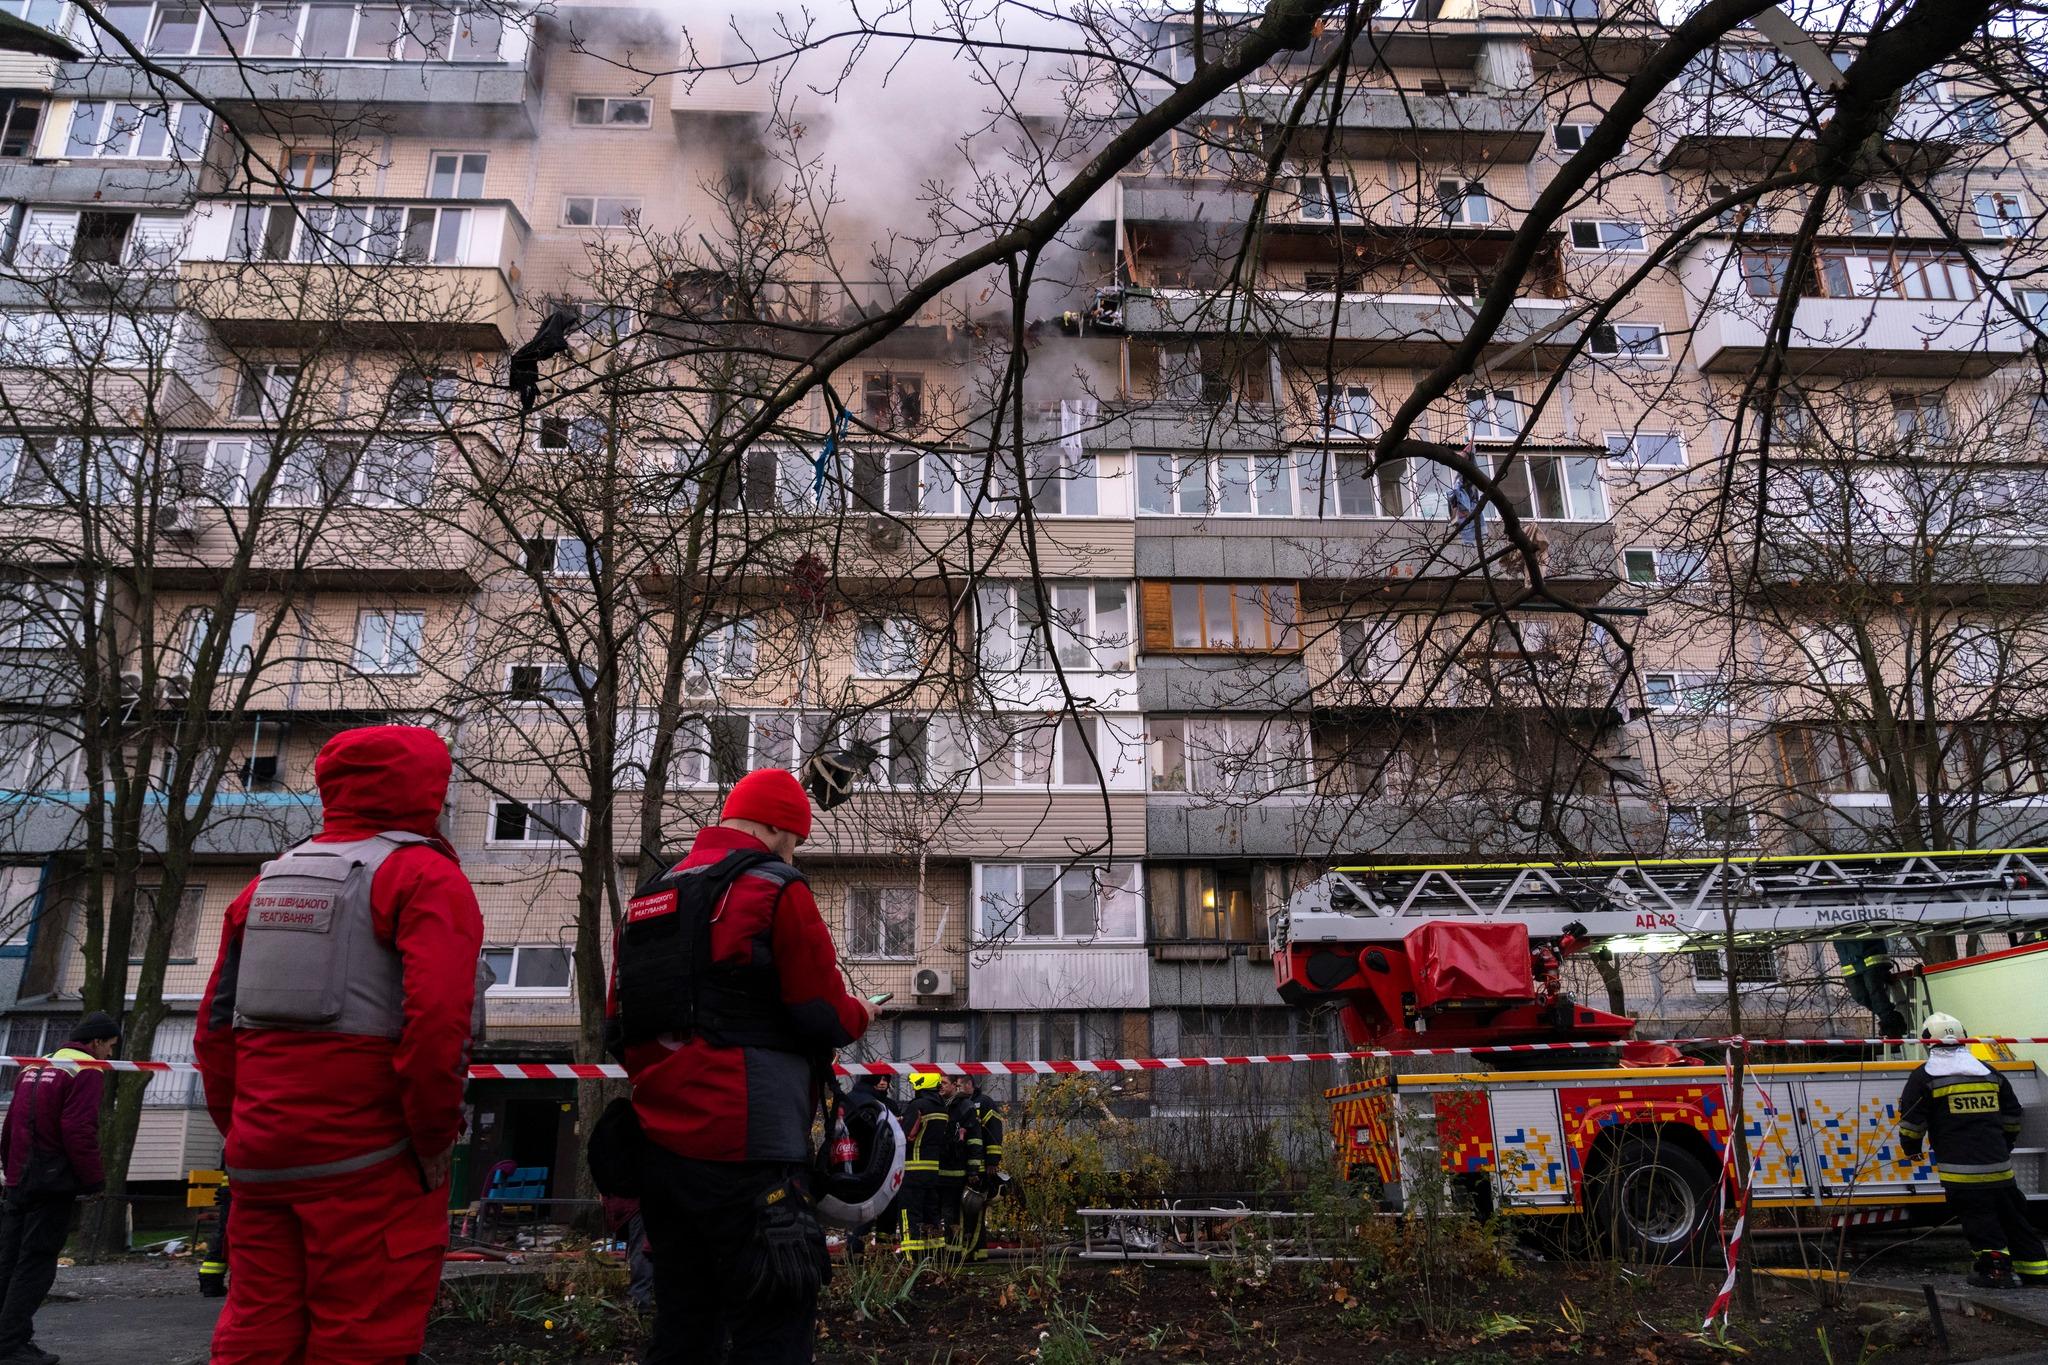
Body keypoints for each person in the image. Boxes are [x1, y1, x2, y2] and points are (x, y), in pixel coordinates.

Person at [195, 725, 485, 1365]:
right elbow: (438, 1022)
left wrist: (245, 1130)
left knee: (256, 1328)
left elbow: (214, 1032)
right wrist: (434, 1138)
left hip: (262, 1156)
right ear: (428, 791)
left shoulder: (265, 882)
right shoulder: (423, 877)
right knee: (362, 1336)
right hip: (371, 1157)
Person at [610, 766, 876, 1365]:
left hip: (661, 1155)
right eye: (796, 840)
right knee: (774, 1322)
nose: (795, 853)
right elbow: (823, 1015)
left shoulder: (649, 896)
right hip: (751, 1152)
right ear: (779, 825)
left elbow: (616, 1027)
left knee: (684, 1324)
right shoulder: (774, 887)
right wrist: (859, 1013)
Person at [1897, 1012, 2048, 1289]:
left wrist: (1911, 1148)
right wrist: (2004, 1144)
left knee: (1980, 1220)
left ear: (1927, 1041)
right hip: (1999, 1168)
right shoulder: (1988, 1072)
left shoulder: (1925, 1077)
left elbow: (1911, 1121)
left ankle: (1996, 1271)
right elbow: (2013, 1114)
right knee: (2013, 1217)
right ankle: (2037, 1269)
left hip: (1961, 1172)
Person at [0, 1011, 118, 1365]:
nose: (111, 1055)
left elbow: (10, 1123)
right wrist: (94, 1179)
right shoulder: (87, 1069)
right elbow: (79, 1128)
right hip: (52, 1181)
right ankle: (10, 1345)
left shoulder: (35, 1065)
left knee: (7, 1260)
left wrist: (9, 1170)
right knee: (35, 1265)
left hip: (20, 1178)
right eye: (110, 1046)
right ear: (96, 1041)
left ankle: (8, 1339)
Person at [897, 1073, 954, 1257]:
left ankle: (911, 1256)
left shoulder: (917, 1106)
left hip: (913, 1169)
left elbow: (907, 1136)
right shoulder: (943, 1109)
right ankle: (935, 1254)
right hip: (932, 1171)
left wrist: (899, 1124)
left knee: (909, 1213)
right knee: (931, 1214)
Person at [959, 1083, 1004, 1261]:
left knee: (975, 1209)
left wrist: (992, 1161)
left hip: (982, 1165)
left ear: (968, 1083)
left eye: (959, 1084)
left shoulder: (984, 1103)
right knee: (967, 1210)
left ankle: (977, 1251)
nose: (957, 1087)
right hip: (967, 1164)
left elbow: (994, 1132)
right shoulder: (959, 1104)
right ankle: (972, 1250)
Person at [939, 1076, 982, 1254]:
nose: (939, 1086)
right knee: (943, 1211)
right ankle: (947, 1249)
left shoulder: (965, 1107)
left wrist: (973, 1170)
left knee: (953, 1211)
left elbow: (974, 1140)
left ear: (955, 1086)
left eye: (943, 1083)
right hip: (938, 1170)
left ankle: (954, 1252)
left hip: (956, 1170)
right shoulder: (939, 1104)